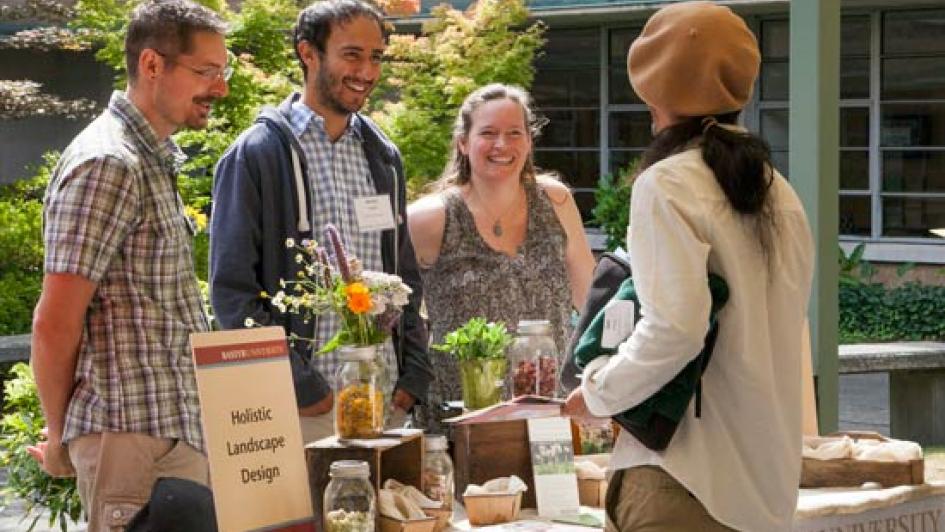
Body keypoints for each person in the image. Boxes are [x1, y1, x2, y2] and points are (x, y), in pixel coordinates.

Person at [561, 2, 815, 531]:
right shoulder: (779, 192)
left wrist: (600, 390)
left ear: (652, 91)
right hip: (764, 484)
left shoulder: (668, 184)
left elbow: (675, 328)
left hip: (681, 477)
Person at [27, 1, 229, 529]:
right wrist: (58, 437)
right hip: (133, 447)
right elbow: (55, 321)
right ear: (152, 65)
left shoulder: (148, 159)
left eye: (222, 73)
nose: (220, 87)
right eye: (206, 72)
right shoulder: (107, 163)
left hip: (162, 442)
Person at [210, 0, 432, 443]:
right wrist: (301, 387)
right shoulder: (258, 154)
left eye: (376, 58)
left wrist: (413, 377)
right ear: (308, 53)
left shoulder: (383, 156)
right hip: (301, 412)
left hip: (383, 403)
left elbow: (404, 276)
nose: (367, 71)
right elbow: (231, 294)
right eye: (352, 54)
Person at [408, 83, 595, 431]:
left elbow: (590, 301)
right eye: (488, 133)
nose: (502, 145)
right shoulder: (429, 218)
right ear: (463, 142)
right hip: (461, 419)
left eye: (514, 133)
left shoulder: (556, 202)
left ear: (528, 140)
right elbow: (398, 317)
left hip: (549, 413)